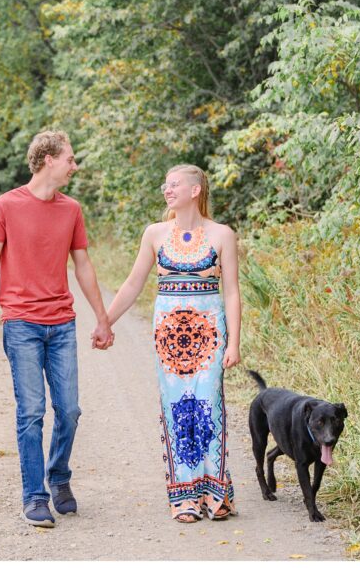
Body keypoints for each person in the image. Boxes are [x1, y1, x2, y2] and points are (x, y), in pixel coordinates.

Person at [0, 130, 115, 528]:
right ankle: (34, 496)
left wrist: (102, 319)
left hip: (62, 323)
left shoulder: (71, 209)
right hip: (20, 323)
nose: (75, 166)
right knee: (32, 412)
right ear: (48, 159)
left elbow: (83, 266)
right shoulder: (6, 206)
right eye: (70, 159)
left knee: (69, 410)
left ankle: (58, 477)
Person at [105, 164, 241, 523]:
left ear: (195, 190)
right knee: (176, 408)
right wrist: (106, 320)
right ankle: (183, 495)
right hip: (168, 336)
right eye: (165, 184)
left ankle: (214, 492)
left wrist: (234, 342)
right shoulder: (154, 233)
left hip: (210, 334)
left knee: (208, 405)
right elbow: (133, 283)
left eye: (174, 184)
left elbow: (231, 292)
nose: (167, 190)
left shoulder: (222, 234)